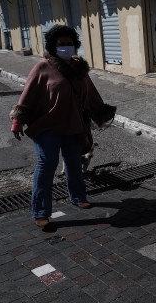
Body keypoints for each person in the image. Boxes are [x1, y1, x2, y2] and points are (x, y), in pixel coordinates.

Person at [10, 25, 116, 227]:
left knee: (74, 162)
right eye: (61, 44)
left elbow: (90, 95)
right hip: (46, 126)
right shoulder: (42, 67)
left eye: (69, 44)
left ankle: (78, 197)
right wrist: (17, 121)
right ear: (53, 47)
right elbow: (27, 96)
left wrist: (103, 112)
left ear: (75, 45)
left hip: (73, 125)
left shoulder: (80, 69)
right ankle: (41, 211)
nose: (66, 47)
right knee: (47, 163)